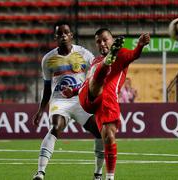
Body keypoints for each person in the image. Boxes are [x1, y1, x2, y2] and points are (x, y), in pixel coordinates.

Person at [65, 28, 150, 180]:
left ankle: (109, 177)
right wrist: (73, 91)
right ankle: (107, 62)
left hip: (105, 102)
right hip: (86, 96)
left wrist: (140, 45)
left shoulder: (122, 53)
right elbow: (88, 82)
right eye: (99, 41)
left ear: (112, 40)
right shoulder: (94, 61)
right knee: (98, 75)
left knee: (109, 137)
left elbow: (134, 55)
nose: (102, 43)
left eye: (105, 40)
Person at [32, 21, 104, 180]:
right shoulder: (48, 59)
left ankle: (98, 174)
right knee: (55, 127)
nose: (63, 36)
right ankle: (40, 172)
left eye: (66, 33)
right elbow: (46, 88)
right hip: (60, 101)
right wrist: (40, 110)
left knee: (100, 132)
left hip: (80, 100)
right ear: (55, 37)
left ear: (71, 35)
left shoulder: (84, 54)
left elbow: (94, 76)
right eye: (60, 33)